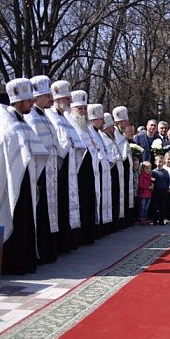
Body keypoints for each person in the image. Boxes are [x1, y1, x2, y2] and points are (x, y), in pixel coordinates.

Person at [0, 78, 48, 274]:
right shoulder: (8, 124)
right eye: (29, 100)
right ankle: (13, 263)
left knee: (25, 220)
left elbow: (35, 148)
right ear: (18, 101)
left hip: (24, 179)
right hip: (11, 181)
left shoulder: (19, 121)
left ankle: (25, 260)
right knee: (14, 218)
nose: (31, 103)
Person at [25, 76, 61, 263]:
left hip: (50, 172)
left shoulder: (44, 115)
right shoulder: (32, 116)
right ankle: (42, 250)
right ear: (37, 97)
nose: (50, 99)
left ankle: (49, 250)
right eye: (47, 95)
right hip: (40, 174)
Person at [46, 81, 84, 250]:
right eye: (67, 98)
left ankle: (67, 240)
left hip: (69, 166)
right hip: (58, 167)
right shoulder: (50, 116)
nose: (69, 101)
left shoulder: (66, 118)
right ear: (57, 99)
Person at [65, 90, 99, 245]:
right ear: (72, 109)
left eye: (85, 108)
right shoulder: (69, 122)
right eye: (80, 109)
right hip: (77, 171)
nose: (83, 112)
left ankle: (88, 233)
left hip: (89, 169)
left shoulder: (87, 127)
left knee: (88, 201)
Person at [87, 104, 114, 235]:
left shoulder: (98, 133)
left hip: (104, 169)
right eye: (101, 119)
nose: (103, 122)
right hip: (96, 170)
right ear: (94, 119)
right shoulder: (89, 132)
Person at [101, 113, 124, 230]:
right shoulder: (103, 138)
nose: (113, 129)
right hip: (110, 171)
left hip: (116, 170)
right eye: (111, 128)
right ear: (106, 128)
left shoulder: (112, 138)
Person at [112, 106, 134, 226]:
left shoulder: (121, 135)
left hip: (125, 170)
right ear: (119, 122)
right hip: (119, 170)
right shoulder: (114, 134)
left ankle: (126, 218)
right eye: (125, 121)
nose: (127, 124)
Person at [151, 155, 170, 225]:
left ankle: (161, 220)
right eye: (159, 162)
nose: (160, 164)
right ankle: (155, 220)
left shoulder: (165, 172)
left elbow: (168, 180)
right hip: (155, 191)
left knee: (163, 206)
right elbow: (151, 181)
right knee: (155, 205)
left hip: (163, 191)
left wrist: (167, 188)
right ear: (155, 162)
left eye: (161, 162)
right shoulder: (153, 172)